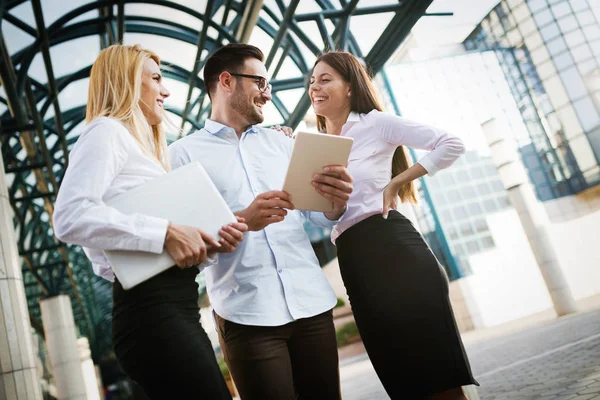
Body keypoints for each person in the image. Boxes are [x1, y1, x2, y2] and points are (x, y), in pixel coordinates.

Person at [53, 44, 248, 399]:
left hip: (174, 306)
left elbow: (124, 251)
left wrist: (208, 241)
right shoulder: (105, 132)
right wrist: (165, 233)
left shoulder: (143, 151)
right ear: (126, 82)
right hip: (151, 313)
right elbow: (69, 216)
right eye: (156, 78)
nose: (166, 90)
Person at [168, 43, 353, 400]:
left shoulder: (283, 144)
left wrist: (335, 201)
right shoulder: (183, 156)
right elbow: (185, 246)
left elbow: (319, 216)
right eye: (260, 83)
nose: (267, 94)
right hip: (247, 314)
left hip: (311, 305)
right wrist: (241, 220)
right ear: (226, 81)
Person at [307, 51, 479, 400]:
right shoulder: (319, 146)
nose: (315, 87)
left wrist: (398, 181)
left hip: (394, 250)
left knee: (437, 380)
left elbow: (452, 143)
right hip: (354, 260)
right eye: (312, 82)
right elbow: (323, 215)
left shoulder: (375, 123)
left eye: (325, 79)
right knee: (403, 383)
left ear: (350, 87)